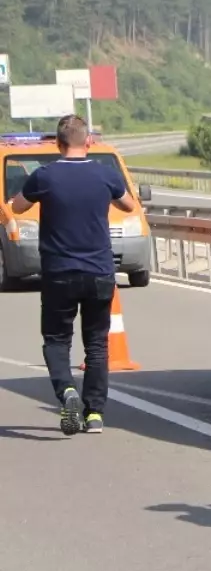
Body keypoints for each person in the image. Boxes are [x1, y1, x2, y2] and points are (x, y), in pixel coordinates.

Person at [7, 114, 136, 435]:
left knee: (56, 339)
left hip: (59, 273)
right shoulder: (105, 174)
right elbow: (129, 206)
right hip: (99, 272)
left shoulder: (45, 177)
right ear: (88, 140)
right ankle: (94, 414)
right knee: (96, 344)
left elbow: (19, 207)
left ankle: (67, 392)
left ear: (58, 143)